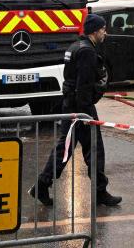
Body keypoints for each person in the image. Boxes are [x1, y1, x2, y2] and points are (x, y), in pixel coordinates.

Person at [31, 13, 122, 208]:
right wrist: (85, 114)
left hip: (71, 106)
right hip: (81, 109)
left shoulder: (74, 47)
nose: (105, 32)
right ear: (95, 31)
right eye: (103, 29)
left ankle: (42, 184)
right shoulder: (87, 51)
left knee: (64, 149)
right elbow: (84, 85)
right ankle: (100, 192)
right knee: (94, 149)